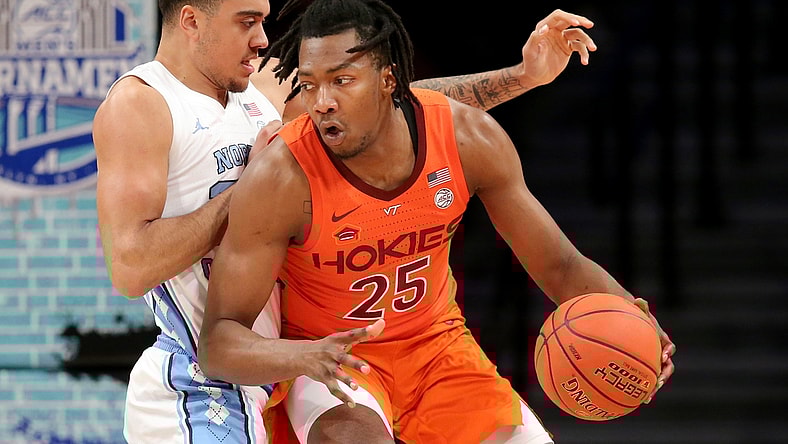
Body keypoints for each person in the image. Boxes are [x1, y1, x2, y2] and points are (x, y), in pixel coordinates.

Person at [92, 0, 599, 442]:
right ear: (191, 22)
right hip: (204, 373)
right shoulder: (142, 102)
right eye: (247, 21)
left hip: (271, 369)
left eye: (265, 21)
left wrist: (522, 77)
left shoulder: (261, 88)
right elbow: (130, 269)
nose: (263, 38)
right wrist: (244, 194)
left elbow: (393, 104)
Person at [197, 0, 675, 443]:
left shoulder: (467, 139)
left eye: (342, 80)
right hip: (332, 362)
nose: (322, 102)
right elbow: (218, 341)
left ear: (389, 79)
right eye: (309, 84)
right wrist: (299, 356)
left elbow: (562, 267)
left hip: (438, 350)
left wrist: (637, 327)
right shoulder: (282, 177)